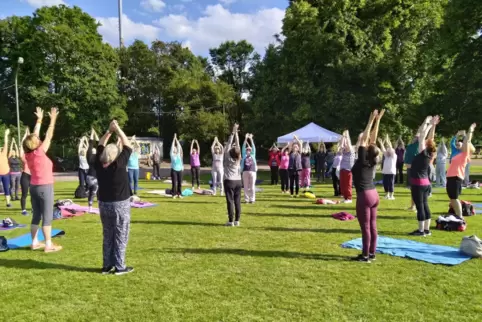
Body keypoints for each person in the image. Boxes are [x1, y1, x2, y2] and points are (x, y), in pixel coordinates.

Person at [95, 120, 134, 275]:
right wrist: (117, 128)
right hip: (120, 204)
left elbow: (100, 144)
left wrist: (109, 132)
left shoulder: (99, 164)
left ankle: (107, 265)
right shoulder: (118, 165)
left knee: (108, 235)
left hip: (104, 204)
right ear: (115, 155)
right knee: (121, 234)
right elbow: (128, 145)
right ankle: (119, 266)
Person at [23, 107, 62, 252]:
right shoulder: (39, 152)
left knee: (36, 216)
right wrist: (52, 119)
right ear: (35, 144)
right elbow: (49, 136)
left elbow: (34, 136)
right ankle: (48, 245)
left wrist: (39, 120)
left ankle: (34, 243)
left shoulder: (28, 154)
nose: (38, 139)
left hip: (34, 187)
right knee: (47, 217)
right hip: (45, 187)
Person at [352, 109, 384, 263]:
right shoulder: (372, 158)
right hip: (373, 194)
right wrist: (377, 121)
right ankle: (371, 253)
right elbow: (372, 139)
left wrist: (371, 120)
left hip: (364, 195)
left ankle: (365, 256)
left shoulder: (363, 158)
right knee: (372, 226)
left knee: (365, 227)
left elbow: (366, 138)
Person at [409, 115, 440, 236]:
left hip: (418, 183)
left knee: (420, 206)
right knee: (425, 205)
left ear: (426, 145)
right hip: (426, 183)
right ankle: (427, 229)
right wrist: (433, 126)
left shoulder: (423, 153)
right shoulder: (430, 153)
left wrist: (429, 124)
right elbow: (430, 138)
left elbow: (422, 136)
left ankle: (421, 231)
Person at [446, 123, 476, 219]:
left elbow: (467, 141)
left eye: (461, 143)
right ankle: (457, 214)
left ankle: (460, 217)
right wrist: (458, 135)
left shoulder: (464, 154)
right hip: (451, 177)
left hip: (456, 177)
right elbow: (453, 142)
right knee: (452, 198)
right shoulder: (458, 153)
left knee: (454, 198)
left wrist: (470, 130)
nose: (460, 143)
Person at [223, 124, 242, 226]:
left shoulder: (227, 156)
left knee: (230, 201)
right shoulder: (238, 157)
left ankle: (230, 221)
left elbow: (230, 144)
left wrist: (233, 132)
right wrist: (236, 134)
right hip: (238, 181)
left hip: (229, 180)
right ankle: (237, 220)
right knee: (237, 201)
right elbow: (237, 146)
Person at [404, 133, 420, 211]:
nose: (413, 138)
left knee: (416, 189)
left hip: (415, 169)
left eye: (415, 137)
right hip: (412, 169)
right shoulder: (411, 146)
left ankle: (416, 206)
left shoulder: (416, 146)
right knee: (413, 189)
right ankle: (413, 206)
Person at [378, 134, 397, 200]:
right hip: (385, 172)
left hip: (391, 172)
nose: (388, 151)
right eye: (387, 150)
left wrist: (387, 140)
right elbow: (383, 149)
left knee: (391, 184)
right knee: (385, 183)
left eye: (389, 150)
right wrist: (380, 143)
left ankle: (392, 195)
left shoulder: (394, 156)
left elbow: (391, 147)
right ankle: (387, 195)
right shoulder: (386, 155)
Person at [339, 130, 355, 203]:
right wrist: (343, 136)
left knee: (348, 185)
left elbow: (348, 143)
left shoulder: (350, 150)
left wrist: (347, 136)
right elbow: (341, 144)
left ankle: (349, 198)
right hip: (343, 169)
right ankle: (345, 197)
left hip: (348, 170)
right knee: (343, 185)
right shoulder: (344, 151)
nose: (345, 145)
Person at [86, 128, 99, 213]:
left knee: (91, 192)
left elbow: (90, 144)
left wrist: (92, 133)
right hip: (95, 178)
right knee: (96, 192)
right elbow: (99, 144)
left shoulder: (89, 157)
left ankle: (90, 207)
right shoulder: (98, 158)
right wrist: (95, 134)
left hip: (88, 177)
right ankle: (98, 207)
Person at [242, 133, 257, 203]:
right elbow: (243, 146)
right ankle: (246, 199)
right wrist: (245, 138)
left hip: (252, 171)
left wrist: (251, 139)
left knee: (252, 186)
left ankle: (252, 199)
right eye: (247, 149)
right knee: (245, 186)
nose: (248, 150)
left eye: (249, 149)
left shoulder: (253, 155)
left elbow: (253, 147)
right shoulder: (244, 154)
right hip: (245, 171)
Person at [20, 129, 31, 215]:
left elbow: (33, 142)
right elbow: (21, 145)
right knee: (24, 194)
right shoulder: (23, 155)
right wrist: (24, 136)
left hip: (33, 176)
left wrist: (29, 135)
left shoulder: (33, 154)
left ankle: (34, 208)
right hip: (25, 175)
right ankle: (23, 210)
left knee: (34, 194)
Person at [0, 128, 12, 207]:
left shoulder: (4, 153)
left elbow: (6, 143)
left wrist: (6, 135)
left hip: (6, 173)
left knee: (6, 188)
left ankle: (8, 203)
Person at [170, 134, 184, 198]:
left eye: (176, 149)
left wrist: (177, 140)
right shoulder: (172, 155)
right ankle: (174, 194)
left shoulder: (178, 154)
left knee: (179, 183)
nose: (175, 149)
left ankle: (179, 194)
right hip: (174, 170)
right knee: (174, 183)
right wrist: (174, 139)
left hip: (180, 170)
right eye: (174, 149)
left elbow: (178, 147)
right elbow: (172, 146)